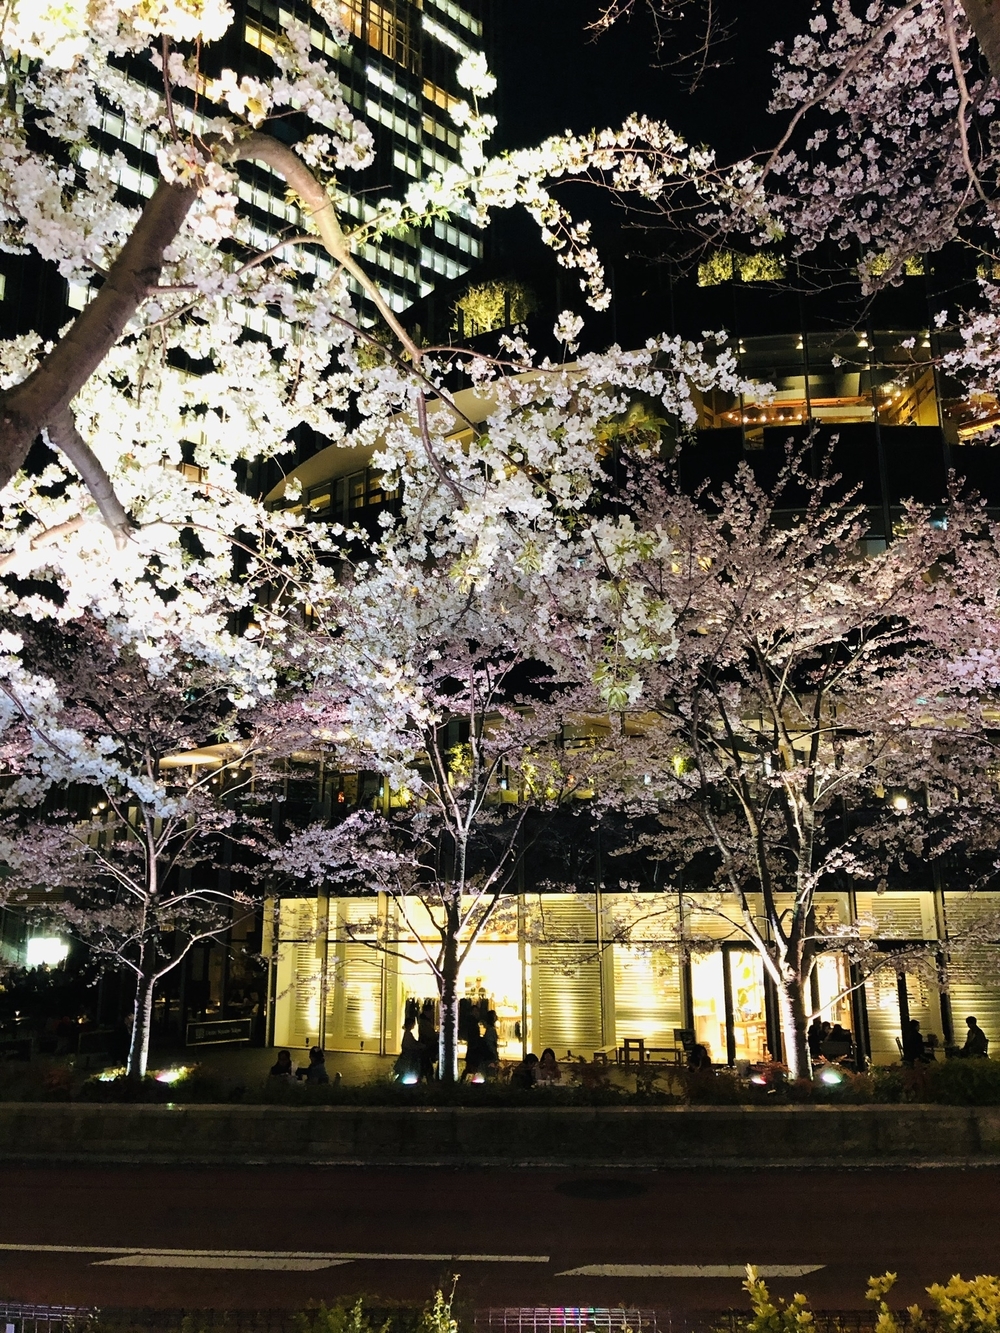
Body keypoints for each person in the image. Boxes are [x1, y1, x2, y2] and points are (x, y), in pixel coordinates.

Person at [418, 1000, 438, 1081]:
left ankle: (423, 1079)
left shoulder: (424, 1020)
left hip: (426, 1045)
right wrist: (435, 1035)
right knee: (426, 1065)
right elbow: (428, 1034)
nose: (432, 1013)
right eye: (431, 1011)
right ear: (427, 1012)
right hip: (426, 1046)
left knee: (425, 1065)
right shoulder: (424, 1022)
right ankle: (429, 1081)